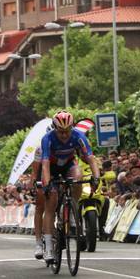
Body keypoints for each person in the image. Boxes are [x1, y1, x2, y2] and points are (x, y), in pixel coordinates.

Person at [41, 111, 100, 263]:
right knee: (50, 203)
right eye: (60, 132)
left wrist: (96, 177)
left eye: (67, 131)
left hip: (68, 164)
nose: (64, 135)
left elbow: (91, 158)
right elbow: (45, 165)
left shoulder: (78, 136)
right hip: (52, 168)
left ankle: (72, 208)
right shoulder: (47, 138)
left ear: (72, 128)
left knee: (78, 177)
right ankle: (48, 247)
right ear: (55, 129)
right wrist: (47, 184)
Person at [28, 142, 47, 259]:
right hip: (42, 173)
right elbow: (35, 171)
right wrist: (34, 183)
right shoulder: (41, 148)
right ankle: (39, 242)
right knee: (40, 206)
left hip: (58, 171)